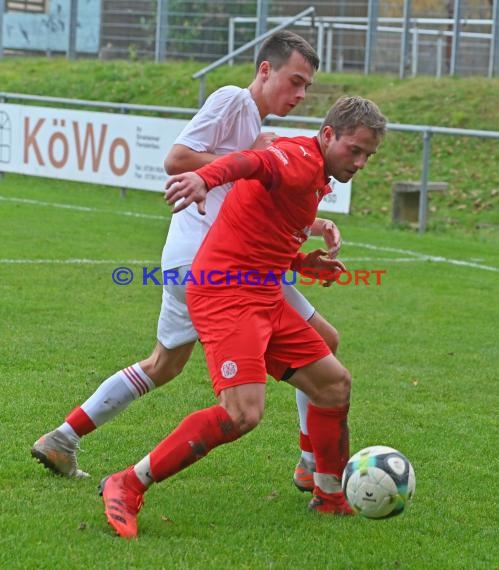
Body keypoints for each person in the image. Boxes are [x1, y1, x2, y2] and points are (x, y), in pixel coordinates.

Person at [30, 31, 332, 489]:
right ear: (264, 70)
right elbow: (177, 157)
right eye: (295, 81)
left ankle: (62, 438)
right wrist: (254, 153)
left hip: (186, 263)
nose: (301, 94)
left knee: (163, 365)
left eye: (307, 86)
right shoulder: (234, 101)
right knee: (322, 345)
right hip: (220, 270)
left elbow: (243, 197)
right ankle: (312, 465)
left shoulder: (253, 126)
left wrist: (311, 227)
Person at [99, 96, 387, 538]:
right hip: (226, 297)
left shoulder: (316, 178)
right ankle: (127, 483)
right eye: (356, 149)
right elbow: (249, 163)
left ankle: (330, 497)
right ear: (328, 135)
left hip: (263, 293)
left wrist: (304, 264)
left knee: (334, 384)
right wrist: (201, 176)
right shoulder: (295, 158)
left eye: (369, 155)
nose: (362, 162)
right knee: (242, 414)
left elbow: (264, 235)